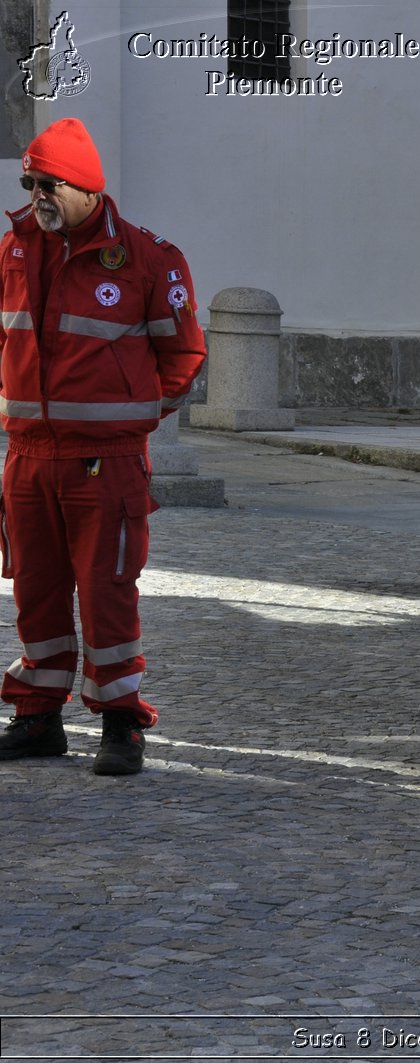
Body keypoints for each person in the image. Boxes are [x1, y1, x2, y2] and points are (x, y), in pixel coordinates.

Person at [0, 118, 206, 776]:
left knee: (107, 590)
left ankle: (121, 720)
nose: (36, 194)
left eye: (49, 183)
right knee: (34, 588)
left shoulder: (148, 259)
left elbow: (184, 354)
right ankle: (37, 715)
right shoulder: (12, 250)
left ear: (87, 188)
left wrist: (137, 416)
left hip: (105, 461)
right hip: (29, 457)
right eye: (29, 181)